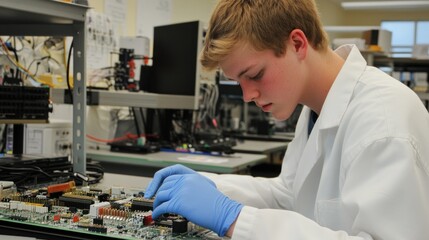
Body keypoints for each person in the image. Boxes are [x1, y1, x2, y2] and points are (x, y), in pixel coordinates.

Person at [144, 0, 429, 239]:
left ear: (297, 43)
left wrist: (233, 219)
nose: (247, 95)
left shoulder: (385, 121)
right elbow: (288, 195)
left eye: (254, 75)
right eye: (238, 81)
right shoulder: (314, 108)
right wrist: (211, 186)